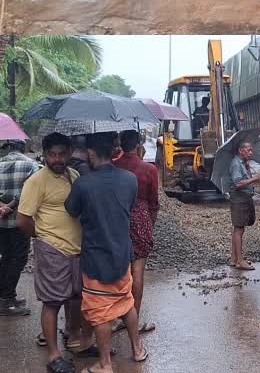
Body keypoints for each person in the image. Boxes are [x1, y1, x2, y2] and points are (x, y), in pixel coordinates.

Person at [65, 132, 147, 371]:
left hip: (96, 257)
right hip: (123, 253)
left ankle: (105, 364)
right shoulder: (130, 179)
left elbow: (71, 210)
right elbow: (129, 207)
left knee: (100, 310)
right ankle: (137, 350)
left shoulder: (83, 183)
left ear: (91, 153)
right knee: (125, 302)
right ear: (113, 151)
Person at [16, 133, 92, 372]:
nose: (57, 159)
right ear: (45, 154)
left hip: (77, 249)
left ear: (69, 152)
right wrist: (41, 237)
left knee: (76, 297)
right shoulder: (36, 181)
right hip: (52, 249)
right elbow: (22, 220)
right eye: (52, 155)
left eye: (61, 154)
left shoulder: (74, 175)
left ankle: (73, 337)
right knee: (52, 302)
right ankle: (53, 355)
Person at [112, 129, 160, 334]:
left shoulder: (114, 166)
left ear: (121, 145)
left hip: (117, 220)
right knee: (137, 270)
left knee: (118, 272)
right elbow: (153, 203)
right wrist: (150, 225)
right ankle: (134, 319)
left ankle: (114, 318)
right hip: (141, 217)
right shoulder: (149, 169)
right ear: (139, 145)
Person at [0, 139, 38, 317]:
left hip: (1, 221)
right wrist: (13, 204)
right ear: (22, 147)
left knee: (6, 257)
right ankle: (6, 300)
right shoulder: (31, 165)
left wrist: (2, 206)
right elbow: (32, 190)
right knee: (18, 259)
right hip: (19, 221)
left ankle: (6, 296)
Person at [229, 140, 260, 271]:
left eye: (251, 150)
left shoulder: (243, 163)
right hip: (239, 199)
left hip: (243, 197)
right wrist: (255, 178)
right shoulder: (235, 164)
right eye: (248, 150)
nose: (251, 152)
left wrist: (252, 174)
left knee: (239, 229)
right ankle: (239, 261)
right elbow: (238, 183)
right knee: (239, 229)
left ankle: (234, 258)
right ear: (240, 150)